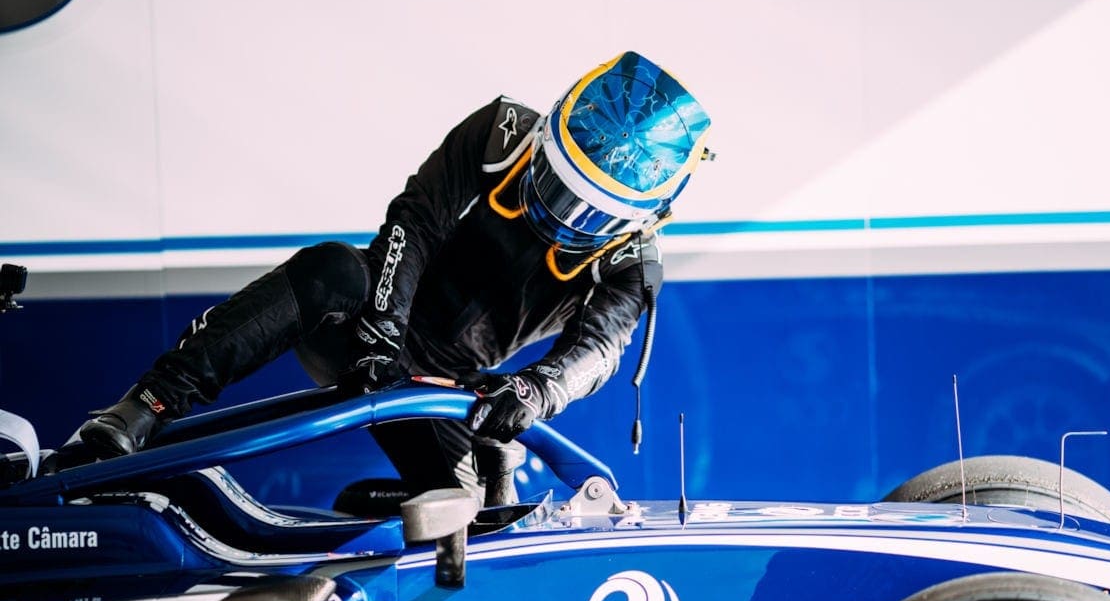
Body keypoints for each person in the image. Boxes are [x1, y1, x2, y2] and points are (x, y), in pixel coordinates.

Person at [73, 50, 713, 505]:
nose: (564, 216)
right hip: (369, 325)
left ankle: (397, 508)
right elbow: (415, 222)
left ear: (644, 216)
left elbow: (596, 352)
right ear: (549, 133)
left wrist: (535, 392)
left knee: (481, 517)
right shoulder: (500, 132)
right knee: (332, 267)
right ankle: (142, 408)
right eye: (561, 187)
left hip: (446, 387)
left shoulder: (631, 264)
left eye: (591, 213)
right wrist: (382, 330)